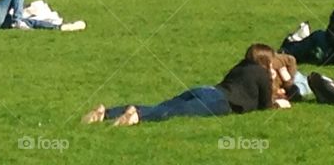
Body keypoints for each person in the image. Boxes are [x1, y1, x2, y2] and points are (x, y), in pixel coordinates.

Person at [82, 44, 287, 126]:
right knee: (175, 112)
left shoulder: (241, 66)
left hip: (206, 89)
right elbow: (264, 107)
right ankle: (137, 117)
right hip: (222, 102)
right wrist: (280, 103)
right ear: (266, 61)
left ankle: (106, 112)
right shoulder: (262, 74)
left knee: (164, 105)